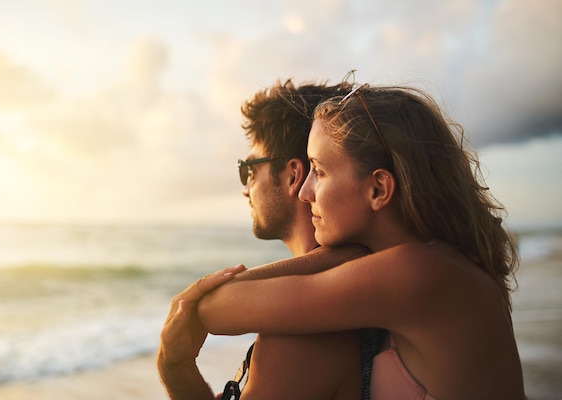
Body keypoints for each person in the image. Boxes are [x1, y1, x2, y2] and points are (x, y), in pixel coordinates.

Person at [196, 76, 526, 399]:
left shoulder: (419, 271)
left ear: (378, 189)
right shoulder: (437, 263)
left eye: (319, 171)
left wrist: (176, 362)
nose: (305, 191)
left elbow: (216, 308)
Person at [157, 79, 375, 399]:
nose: (245, 187)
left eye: (248, 168)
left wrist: (174, 368)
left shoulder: (299, 329)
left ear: (292, 175)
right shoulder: (355, 277)